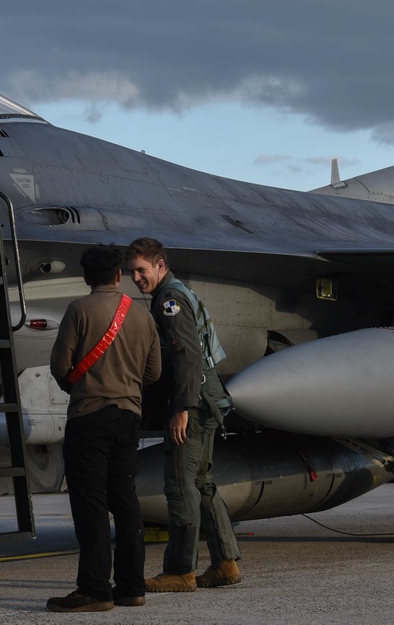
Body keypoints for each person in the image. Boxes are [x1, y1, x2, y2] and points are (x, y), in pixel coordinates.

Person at [47, 244, 161, 613]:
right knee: (124, 501)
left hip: (89, 418)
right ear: (118, 275)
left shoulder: (78, 309)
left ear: (86, 277)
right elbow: (154, 372)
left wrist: (82, 385)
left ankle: (95, 589)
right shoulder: (142, 315)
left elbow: (60, 366)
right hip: (128, 418)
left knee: (91, 503)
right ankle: (131, 586)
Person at [125, 237, 242, 592]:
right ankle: (225, 564)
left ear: (160, 265)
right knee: (202, 484)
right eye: (132, 272)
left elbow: (187, 357)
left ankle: (180, 570)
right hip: (206, 399)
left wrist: (180, 410)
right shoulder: (176, 292)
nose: (137, 278)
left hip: (193, 403)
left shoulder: (169, 300)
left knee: (179, 486)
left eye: (142, 270)